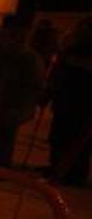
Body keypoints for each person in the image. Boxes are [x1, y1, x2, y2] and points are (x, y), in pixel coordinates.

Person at [0, 16, 46, 168]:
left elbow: (34, 84)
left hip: (12, 104)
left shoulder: (28, 58)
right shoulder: (2, 56)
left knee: (4, 136)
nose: (2, 40)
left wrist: (23, 106)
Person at [47, 17, 92, 186]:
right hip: (65, 99)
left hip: (83, 104)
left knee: (76, 139)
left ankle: (75, 173)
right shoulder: (72, 49)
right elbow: (61, 72)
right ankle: (56, 166)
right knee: (58, 135)